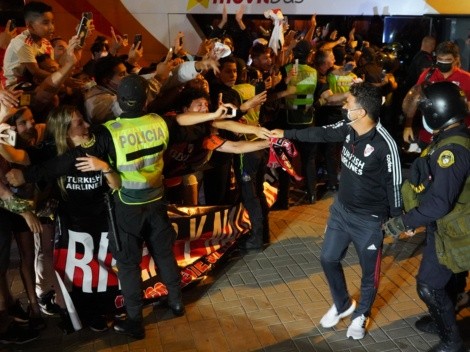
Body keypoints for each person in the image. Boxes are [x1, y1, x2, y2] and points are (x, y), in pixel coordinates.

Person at [271, 82, 402, 340]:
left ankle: (361, 314)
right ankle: (343, 304)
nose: (343, 106)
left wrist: (397, 220)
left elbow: (394, 184)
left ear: (361, 112)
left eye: (348, 103)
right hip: (341, 212)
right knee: (328, 258)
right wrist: (285, 133)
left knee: (369, 274)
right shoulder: (347, 128)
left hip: (369, 221)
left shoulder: (386, 145)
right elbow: (319, 133)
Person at [384, 82, 469, 352]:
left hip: (453, 226)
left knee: (429, 287)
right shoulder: (451, 135)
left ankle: (451, 341)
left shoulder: (450, 151)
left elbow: (440, 204)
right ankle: (444, 319)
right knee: (452, 274)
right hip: (451, 224)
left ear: (437, 112)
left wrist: (401, 223)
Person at [403, 41, 470, 144]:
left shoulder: (466, 78)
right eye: (440, 60)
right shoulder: (428, 75)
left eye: (447, 60)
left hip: (457, 136)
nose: (443, 63)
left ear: (456, 59)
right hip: (428, 133)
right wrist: (408, 126)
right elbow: (415, 100)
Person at [3, 1, 55, 86]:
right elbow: (36, 72)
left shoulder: (47, 44)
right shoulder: (22, 42)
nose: (51, 27)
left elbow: (50, 69)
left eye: (52, 22)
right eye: (45, 23)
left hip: (34, 83)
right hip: (13, 87)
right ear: (30, 26)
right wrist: (65, 79)